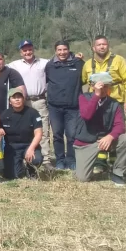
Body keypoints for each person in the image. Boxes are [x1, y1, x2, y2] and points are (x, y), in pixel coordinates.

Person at [73, 72, 126, 186]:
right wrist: (96, 95)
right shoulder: (83, 98)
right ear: (92, 86)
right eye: (100, 86)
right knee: (83, 178)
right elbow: (87, 115)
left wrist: (111, 136)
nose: (103, 89)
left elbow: (120, 126)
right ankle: (87, 166)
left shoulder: (114, 103)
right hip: (86, 142)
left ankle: (118, 172)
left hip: (106, 140)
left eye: (106, 86)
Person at [7, 40, 51, 166]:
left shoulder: (44, 63)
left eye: (30, 49)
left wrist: (75, 56)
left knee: (43, 131)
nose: (28, 52)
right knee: (25, 130)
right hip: (22, 102)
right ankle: (27, 156)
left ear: (33, 50)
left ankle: (46, 159)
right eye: (24, 50)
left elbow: (58, 61)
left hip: (39, 101)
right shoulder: (14, 65)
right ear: (21, 52)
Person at [45, 40, 84, 170]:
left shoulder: (78, 63)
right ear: (55, 51)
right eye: (59, 50)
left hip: (73, 107)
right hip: (54, 107)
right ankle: (60, 161)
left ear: (69, 50)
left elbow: (86, 78)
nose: (62, 52)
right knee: (57, 135)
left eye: (64, 49)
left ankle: (71, 160)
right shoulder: (49, 66)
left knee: (72, 135)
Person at [0, 87, 43, 181]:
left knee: (36, 159)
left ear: (24, 99)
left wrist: (31, 149)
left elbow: (38, 133)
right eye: (14, 97)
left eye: (19, 97)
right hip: (12, 148)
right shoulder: (4, 114)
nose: (17, 99)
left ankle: (31, 170)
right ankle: (21, 167)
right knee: (13, 175)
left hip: (29, 145)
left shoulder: (33, 113)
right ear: (10, 101)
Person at [81, 36, 126, 114]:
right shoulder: (87, 64)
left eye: (104, 44)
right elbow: (81, 81)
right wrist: (75, 59)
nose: (102, 47)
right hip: (94, 102)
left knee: (118, 126)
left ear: (108, 46)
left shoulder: (119, 60)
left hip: (115, 102)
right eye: (99, 45)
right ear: (94, 48)